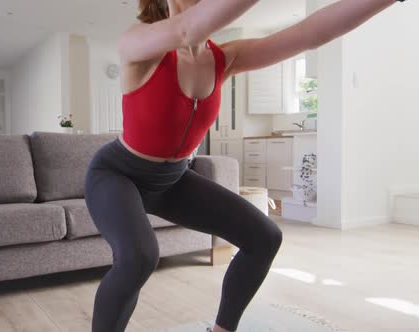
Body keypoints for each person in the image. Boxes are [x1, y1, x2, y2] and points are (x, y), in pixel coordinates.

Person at [84, 0, 407, 331]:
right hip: (117, 174)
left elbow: (310, 33)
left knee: (264, 237)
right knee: (139, 257)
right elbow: (185, 29)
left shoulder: (225, 58)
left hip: (173, 179)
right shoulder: (137, 42)